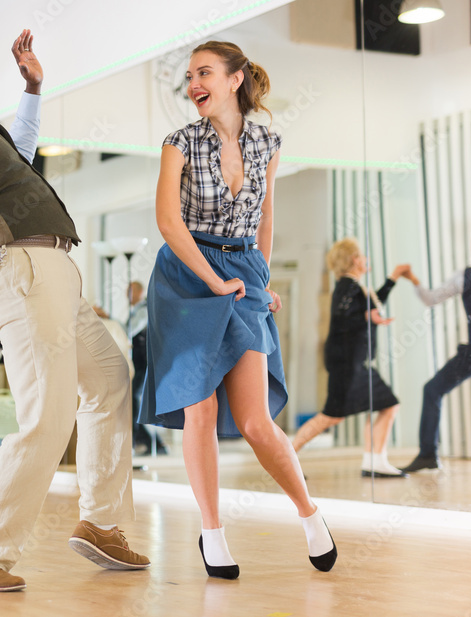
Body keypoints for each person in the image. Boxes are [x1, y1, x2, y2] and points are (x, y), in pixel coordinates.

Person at [0, 9, 148, 592]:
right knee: (48, 414)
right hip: (17, 270)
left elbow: (21, 159)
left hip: (49, 271)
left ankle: (102, 521)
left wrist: (34, 89)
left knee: (110, 378)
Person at [140, 41, 336, 579]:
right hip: (185, 278)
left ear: (235, 78)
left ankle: (310, 514)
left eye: (203, 73)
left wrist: (260, 279)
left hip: (243, 271)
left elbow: (265, 219)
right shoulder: (178, 143)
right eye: (188, 77)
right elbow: (168, 223)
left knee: (254, 420)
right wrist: (213, 279)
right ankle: (212, 531)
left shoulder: (268, 142)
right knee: (199, 411)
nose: (192, 85)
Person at [292, 239, 408, 477]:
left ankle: (374, 461)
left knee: (382, 405)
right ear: (355, 259)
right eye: (363, 256)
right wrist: (367, 317)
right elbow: (343, 316)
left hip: (351, 363)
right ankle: (286, 458)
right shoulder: (349, 286)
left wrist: (393, 278)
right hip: (348, 364)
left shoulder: (351, 286)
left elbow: (370, 304)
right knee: (331, 417)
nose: (366, 260)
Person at [400, 227, 471, 472]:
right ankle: (428, 455)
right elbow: (432, 298)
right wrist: (415, 280)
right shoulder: (464, 276)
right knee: (432, 390)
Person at [127, 281, 167, 456]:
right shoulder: (138, 310)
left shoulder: (143, 310)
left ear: (139, 292)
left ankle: (146, 442)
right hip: (140, 365)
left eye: (129, 291)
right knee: (135, 402)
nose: (126, 295)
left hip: (145, 366)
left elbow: (129, 331)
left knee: (135, 401)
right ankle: (153, 443)